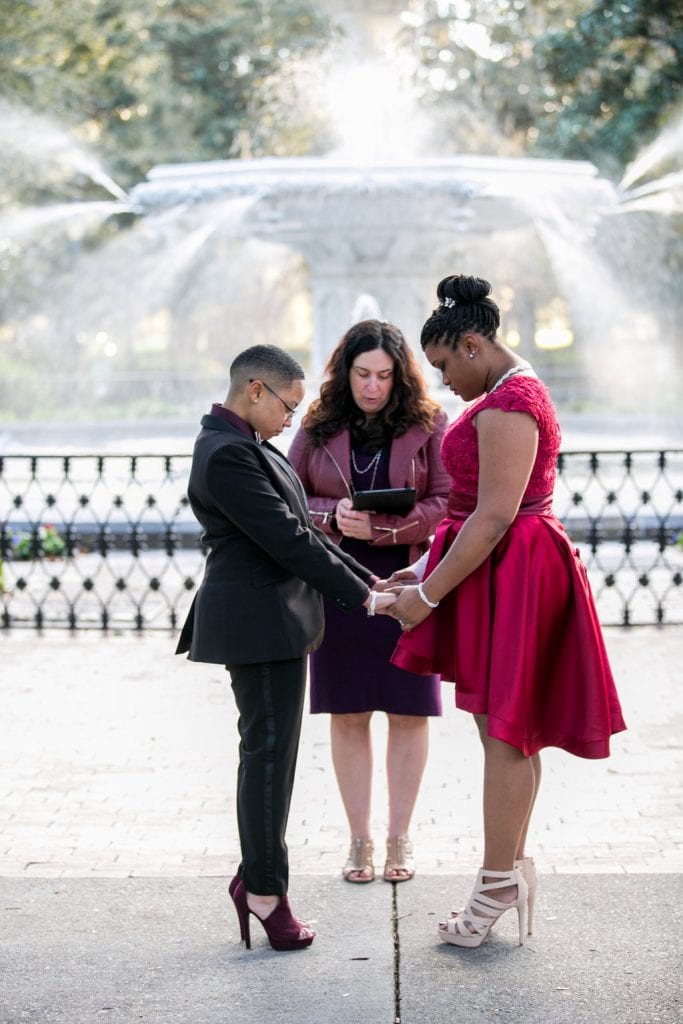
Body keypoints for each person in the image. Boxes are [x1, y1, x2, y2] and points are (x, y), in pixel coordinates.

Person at [381, 275, 626, 947]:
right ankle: (508, 872)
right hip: (502, 568)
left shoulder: (507, 404)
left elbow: (491, 517)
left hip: (513, 569)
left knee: (506, 732)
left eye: (442, 367)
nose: (441, 383)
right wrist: (425, 568)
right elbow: (474, 515)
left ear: (470, 343)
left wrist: (426, 599)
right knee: (506, 728)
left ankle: (496, 882)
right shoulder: (506, 394)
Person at [175, 344, 395, 952]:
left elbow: (302, 533)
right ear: (254, 389)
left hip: (273, 622)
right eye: (288, 407)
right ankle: (265, 891)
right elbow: (287, 541)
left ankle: (260, 878)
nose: (292, 421)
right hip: (257, 623)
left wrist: (372, 582)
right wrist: (368, 600)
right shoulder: (226, 454)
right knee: (268, 759)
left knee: (271, 757)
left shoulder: (246, 447)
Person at [288, 320, 450, 884]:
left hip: (409, 581)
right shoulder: (315, 425)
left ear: (400, 375)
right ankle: (359, 841)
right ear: (345, 372)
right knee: (348, 711)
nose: (373, 387)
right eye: (362, 374)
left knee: (410, 711)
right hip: (335, 579)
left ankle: (399, 838)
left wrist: (386, 529)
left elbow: (448, 501)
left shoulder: (430, 424)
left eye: (384, 375)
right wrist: (333, 516)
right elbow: (286, 496)